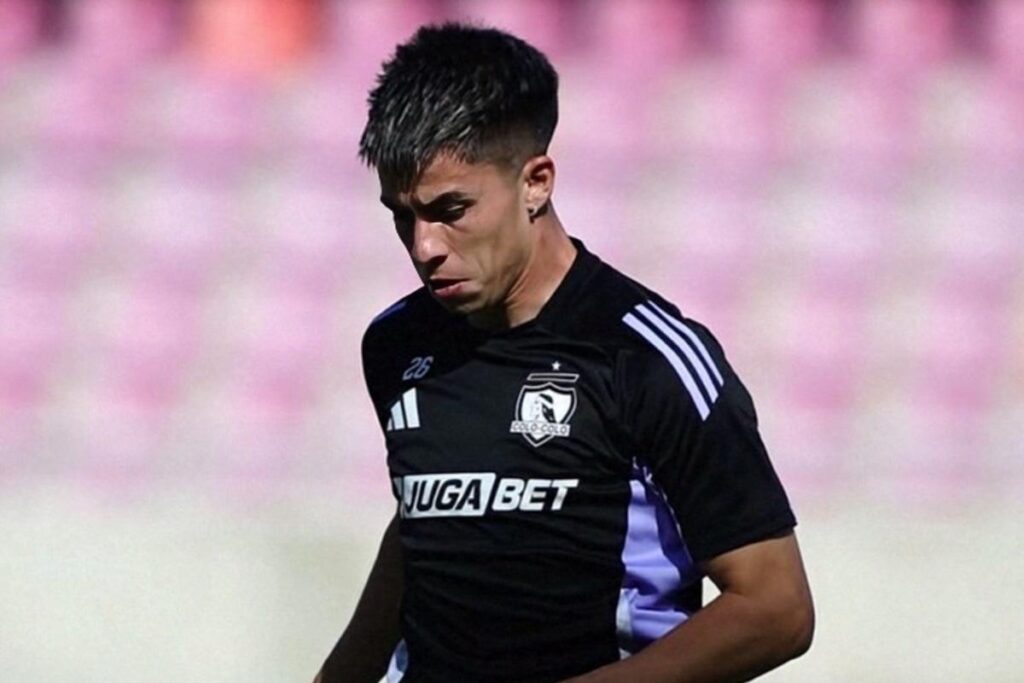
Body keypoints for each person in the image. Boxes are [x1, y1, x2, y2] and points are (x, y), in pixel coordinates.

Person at [315, 23, 813, 683]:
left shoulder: (646, 357)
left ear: (536, 183)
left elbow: (776, 607)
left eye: (450, 209)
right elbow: (427, 524)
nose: (424, 245)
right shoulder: (398, 343)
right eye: (402, 215)